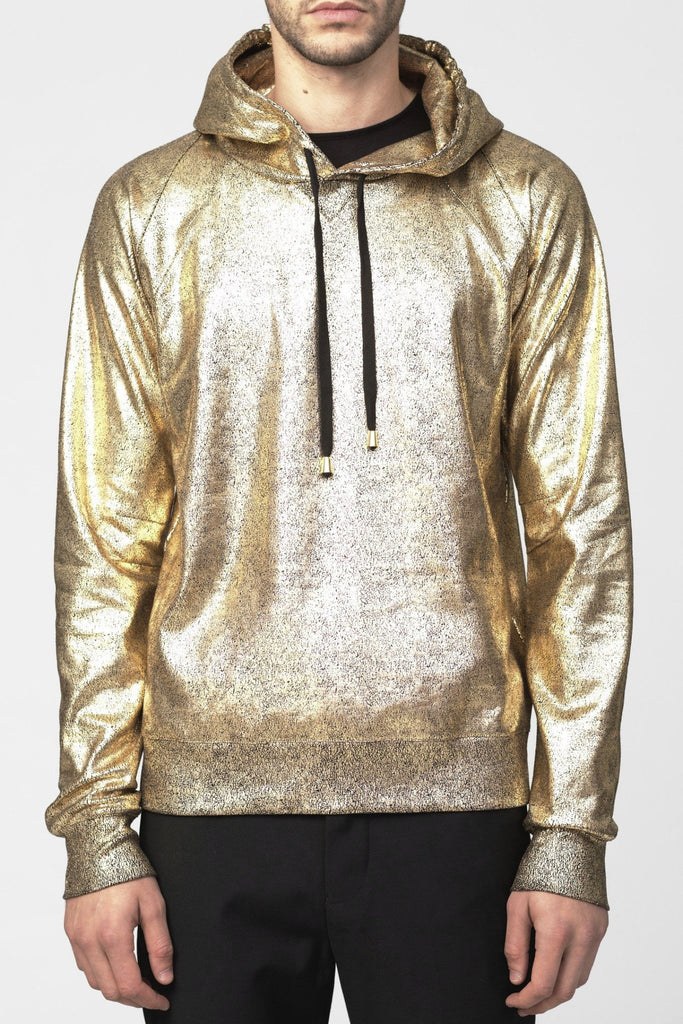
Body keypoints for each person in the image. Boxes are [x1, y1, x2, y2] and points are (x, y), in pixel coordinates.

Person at [44, 2, 634, 1021]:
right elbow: (103, 539)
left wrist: (570, 828)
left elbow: (578, 526)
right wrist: (96, 825)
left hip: (460, 801)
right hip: (205, 806)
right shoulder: (149, 204)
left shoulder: (526, 196)